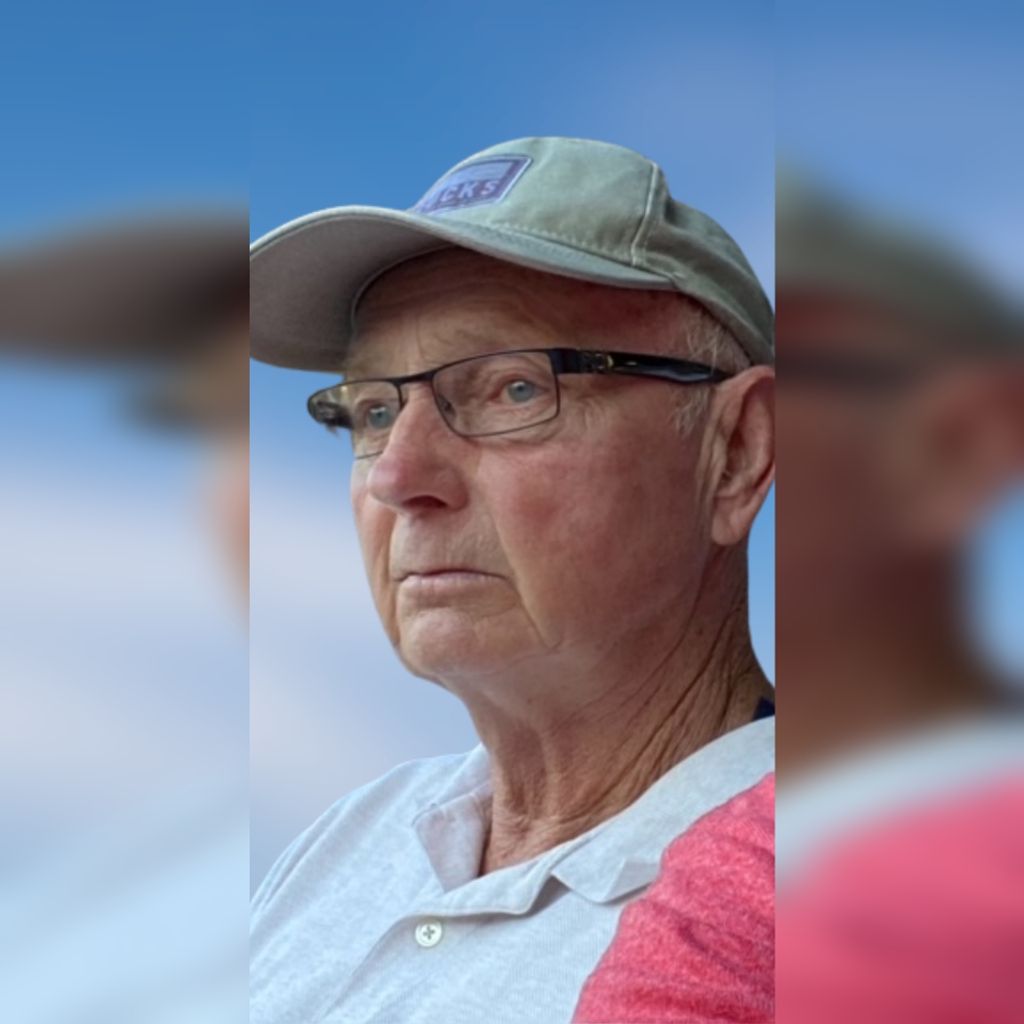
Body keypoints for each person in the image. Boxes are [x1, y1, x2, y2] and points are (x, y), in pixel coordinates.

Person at [249, 136, 775, 1023]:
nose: (397, 475)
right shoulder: (353, 837)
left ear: (735, 455)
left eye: (514, 390)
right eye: (373, 410)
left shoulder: (843, 906)